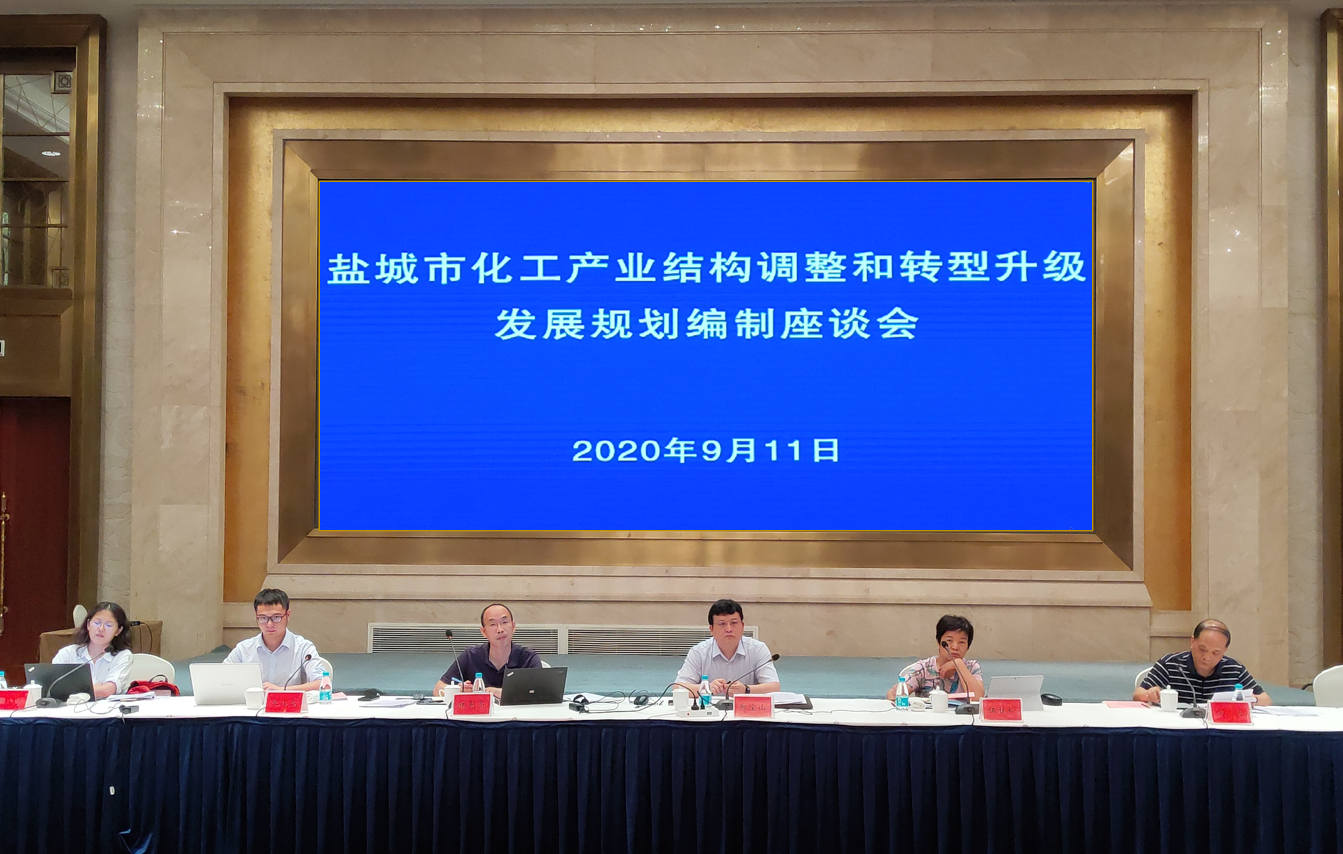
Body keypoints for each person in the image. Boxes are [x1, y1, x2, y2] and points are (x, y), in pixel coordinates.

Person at [1134, 618, 1272, 706]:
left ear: (1225, 650)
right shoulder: (1171, 664)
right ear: (1192, 641)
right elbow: (1138, 694)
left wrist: (1251, 699)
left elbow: (1266, 699)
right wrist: (1149, 694)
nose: (1207, 657)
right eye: (1202, 649)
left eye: (1215, 653)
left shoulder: (1234, 668)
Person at [224, 588, 328, 691]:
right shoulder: (243, 650)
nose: (269, 624)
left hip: (290, 702)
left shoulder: (303, 648)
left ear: (287, 615)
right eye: (263, 618)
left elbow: (322, 683)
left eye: (276, 617)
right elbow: (222, 681)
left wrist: (281, 690)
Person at [675, 599, 781, 696]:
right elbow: (678, 687)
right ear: (711, 629)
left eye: (734, 623)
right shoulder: (698, 652)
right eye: (722, 624)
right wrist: (706, 688)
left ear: (742, 626)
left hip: (746, 709)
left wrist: (746, 689)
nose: (729, 629)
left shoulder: (758, 649)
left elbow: (774, 687)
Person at [434, 603, 541, 699]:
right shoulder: (470, 656)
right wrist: (457, 689)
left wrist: (499, 692)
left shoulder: (528, 658)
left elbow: (540, 693)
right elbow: (437, 689)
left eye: (504, 622)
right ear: (484, 632)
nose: (500, 629)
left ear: (513, 626)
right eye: (493, 624)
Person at [887, 614, 985, 701]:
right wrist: (896, 693)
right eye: (949, 641)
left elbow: (977, 698)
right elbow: (894, 695)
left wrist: (959, 664)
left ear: (968, 646)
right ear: (939, 643)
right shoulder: (924, 668)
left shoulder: (972, 667)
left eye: (962, 642)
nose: (955, 647)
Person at [53, 601, 133, 699]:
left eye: (108, 625)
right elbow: (52, 687)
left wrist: (70, 690)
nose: (101, 629)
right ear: (88, 624)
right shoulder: (67, 654)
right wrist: (94, 689)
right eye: (97, 623)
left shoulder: (123, 656)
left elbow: (106, 691)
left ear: (118, 631)